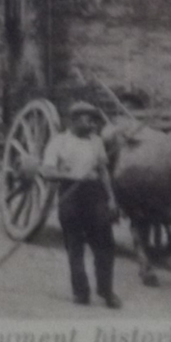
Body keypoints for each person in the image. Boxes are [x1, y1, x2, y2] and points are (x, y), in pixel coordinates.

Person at [39, 101, 122, 309]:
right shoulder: (59, 142)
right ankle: (81, 292)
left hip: (95, 195)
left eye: (94, 119)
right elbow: (47, 171)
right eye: (87, 119)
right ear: (74, 120)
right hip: (71, 194)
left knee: (105, 245)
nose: (93, 123)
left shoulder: (96, 142)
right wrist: (71, 175)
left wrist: (111, 198)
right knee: (75, 246)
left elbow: (103, 171)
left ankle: (106, 290)